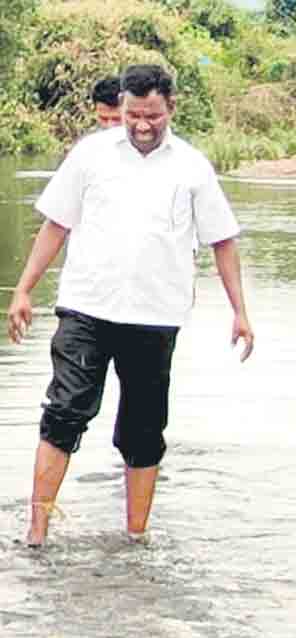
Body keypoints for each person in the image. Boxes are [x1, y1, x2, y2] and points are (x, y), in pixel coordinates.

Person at [6, 64, 253, 547]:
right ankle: (36, 534)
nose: (142, 125)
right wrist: (23, 289)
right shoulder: (90, 155)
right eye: (133, 115)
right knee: (64, 412)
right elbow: (56, 224)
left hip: (155, 317)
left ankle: (137, 539)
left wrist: (240, 311)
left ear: (171, 109)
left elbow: (222, 240)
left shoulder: (192, 167)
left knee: (144, 429)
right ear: (120, 108)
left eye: (153, 116)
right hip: (86, 309)